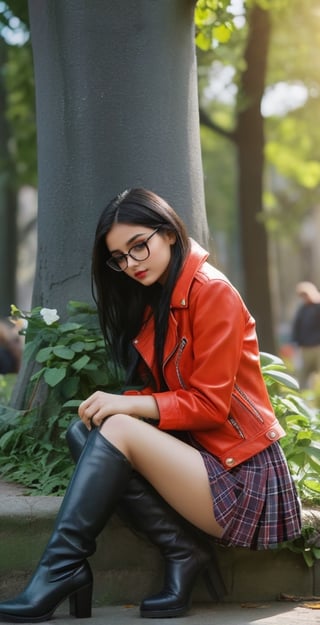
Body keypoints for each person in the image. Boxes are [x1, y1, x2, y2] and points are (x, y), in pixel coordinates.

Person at [0, 188, 301, 622]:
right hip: (206, 464)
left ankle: (60, 570)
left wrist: (128, 407)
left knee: (116, 423)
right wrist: (123, 405)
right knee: (84, 429)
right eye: (119, 257)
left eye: (139, 245)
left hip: (244, 479)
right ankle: (183, 553)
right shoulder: (159, 299)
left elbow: (211, 406)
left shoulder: (211, 292)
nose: (131, 263)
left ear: (170, 234)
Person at [291, 281, 320, 389]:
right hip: (305, 347)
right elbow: (296, 327)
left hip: (318, 346)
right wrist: (296, 343)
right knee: (303, 376)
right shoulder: (302, 309)